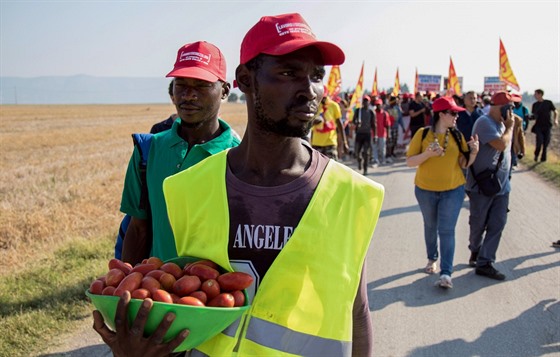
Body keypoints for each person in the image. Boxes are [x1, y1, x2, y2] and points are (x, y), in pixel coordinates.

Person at [95, 12, 385, 357]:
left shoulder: (353, 194)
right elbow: (174, 303)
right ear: (246, 80)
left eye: (316, 76)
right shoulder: (188, 188)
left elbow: (357, 310)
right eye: (289, 73)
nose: (309, 90)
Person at [119, 41, 241, 266]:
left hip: (215, 296)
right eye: (181, 84)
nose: (188, 95)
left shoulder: (239, 157)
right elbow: (138, 229)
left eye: (201, 85)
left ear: (224, 91)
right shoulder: (149, 151)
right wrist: (127, 285)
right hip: (158, 290)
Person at [406, 97, 479, 288]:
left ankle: (446, 273)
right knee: (430, 226)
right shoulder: (422, 135)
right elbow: (410, 161)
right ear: (441, 114)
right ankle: (432, 258)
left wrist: (473, 153)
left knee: (447, 230)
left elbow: (463, 164)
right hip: (425, 190)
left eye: (457, 113)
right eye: (453, 113)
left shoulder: (457, 136)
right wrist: (428, 154)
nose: (457, 116)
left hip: (453, 191)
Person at [466, 91, 514, 280]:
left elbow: (510, 150)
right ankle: (475, 250)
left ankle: (485, 262)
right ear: (496, 107)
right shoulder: (485, 123)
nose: (510, 112)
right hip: (481, 186)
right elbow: (501, 145)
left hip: (502, 186)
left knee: (498, 223)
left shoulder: (503, 124)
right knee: (478, 223)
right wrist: (510, 128)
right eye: (507, 108)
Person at [311, 90, 348, 160]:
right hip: (316, 142)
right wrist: (313, 122)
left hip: (330, 142)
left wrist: (345, 142)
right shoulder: (314, 105)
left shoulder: (334, 106)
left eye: (324, 97)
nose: (323, 99)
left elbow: (340, 125)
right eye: (321, 97)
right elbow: (307, 123)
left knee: (331, 167)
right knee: (317, 168)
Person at [530, 89, 558, 162]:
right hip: (538, 126)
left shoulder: (548, 103)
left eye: (535, 94)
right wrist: (529, 117)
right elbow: (534, 115)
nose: (534, 95)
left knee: (546, 143)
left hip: (547, 125)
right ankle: (536, 154)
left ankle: (543, 159)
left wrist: (555, 120)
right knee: (539, 141)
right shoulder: (535, 105)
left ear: (540, 94)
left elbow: (555, 111)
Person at [353, 95, 376, 174]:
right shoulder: (358, 111)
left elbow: (374, 125)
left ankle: (365, 168)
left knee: (366, 152)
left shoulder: (371, 112)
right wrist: (356, 122)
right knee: (357, 151)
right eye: (364, 101)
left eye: (367, 101)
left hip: (367, 134)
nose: (365, 102)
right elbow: (353, 120)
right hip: (359, 134)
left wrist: (375, 136)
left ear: (369, 102)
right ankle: (359, 160)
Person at [373, 98, 391, 165]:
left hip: (382, 133)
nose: (378, 106)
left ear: (381, 105)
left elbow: (388, 125)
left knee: (382, 148)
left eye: (379, 105)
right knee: (374, 148)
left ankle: (383, 159)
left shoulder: (384, 114)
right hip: (374, 134)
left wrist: (388, 134)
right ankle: (376, 160)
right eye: (377, 105)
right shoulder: (373, 113)